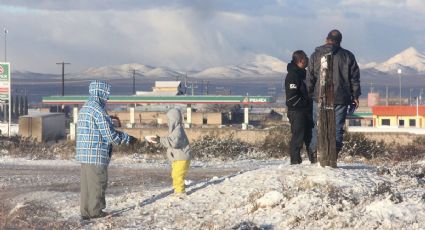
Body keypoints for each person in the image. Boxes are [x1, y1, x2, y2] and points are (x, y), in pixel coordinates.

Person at [76, 80, 137, 220]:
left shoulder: (85, 107)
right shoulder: (98, 110)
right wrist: (128, 139)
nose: (107, 98)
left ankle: (86, 212)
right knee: (98, 183)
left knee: (87, 186)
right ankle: (96, 211)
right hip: (96, 154)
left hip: (84, 154)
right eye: (106, 94)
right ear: (100, 93)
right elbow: (110, 136)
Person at [307, 29, 361, 157]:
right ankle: (333, 154)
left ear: (326, 39)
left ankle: (314, 152)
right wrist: (355, 95)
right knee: (337, 127)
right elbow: (354, 78)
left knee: (317, 126)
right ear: (340, 41)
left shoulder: (315, 55)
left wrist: (310, 94)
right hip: (341, 98)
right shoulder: (348, 56)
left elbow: (310, 78)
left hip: (318, 97)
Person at [147, 108, 191, 197]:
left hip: (182, 158)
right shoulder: (175, 130)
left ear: (174, 119)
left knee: (178, 175)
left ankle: (180, 192)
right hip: (177, 159)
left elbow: (173, 143)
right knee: (175, 175)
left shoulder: (178, 131)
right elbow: (170, 141)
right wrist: (159, 140)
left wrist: (160, 140)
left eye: (169, 119)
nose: (168, 122)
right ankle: (177, 190)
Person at [285, 50, 315, 164]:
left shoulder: (305, 74)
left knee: (310, 138)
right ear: (301, 60)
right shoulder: (292, 75)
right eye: (306, 58)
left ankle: (314, 161)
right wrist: (307, 102)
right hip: (297, 111)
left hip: (307, 111)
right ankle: (295, 162)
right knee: (298, 138)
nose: (308, 60)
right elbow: (292, 98)